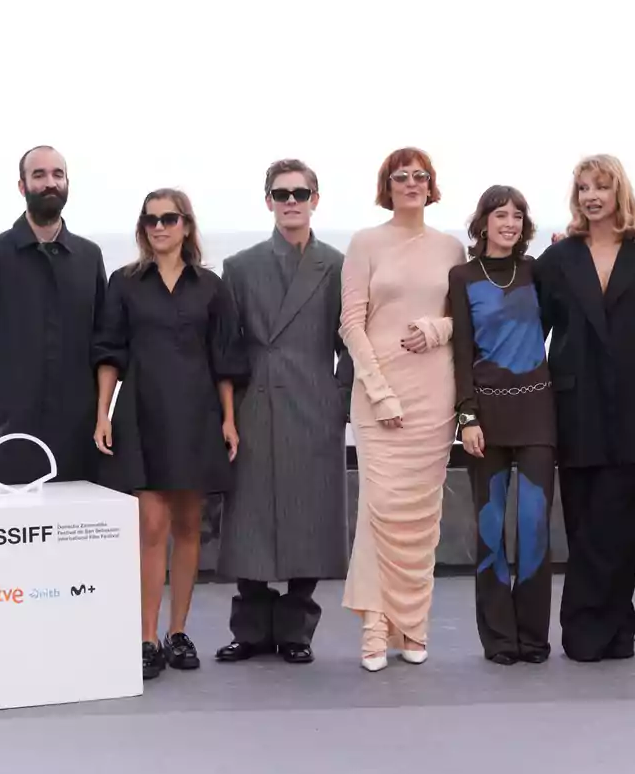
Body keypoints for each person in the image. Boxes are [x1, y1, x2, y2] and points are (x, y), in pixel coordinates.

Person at [92, 188, 242, 680]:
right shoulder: (124, 284)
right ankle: (146, 638)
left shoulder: (212, 287)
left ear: (186, 226)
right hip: (142, 413)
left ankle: (179, 634)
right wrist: (103, 413)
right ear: (143, 228)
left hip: (198, 415)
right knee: (151, 529)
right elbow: (110, 353)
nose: (159, 227)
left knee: (187, 528)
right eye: (151, 220)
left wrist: (229, 419)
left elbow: (224, 359)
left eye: (169, 219)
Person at [215, 159, 352, 665]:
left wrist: (339, 398)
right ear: (267, 200)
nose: (290, 201)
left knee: (309, 518)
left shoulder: (338, 265)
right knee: (247, 516)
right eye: (281, 193)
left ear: (316, 199)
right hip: (254, 405)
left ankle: (297, 629)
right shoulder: (240, 266)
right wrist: (227, 413)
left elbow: (352, 340)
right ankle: (249, 629)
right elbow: (226, 350)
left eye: (300, 192)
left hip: (314, 405)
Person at [339, 147, 466, 671]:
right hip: (378, 393)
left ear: (432, 185)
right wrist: (380, 390)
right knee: (379, 511)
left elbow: (466, 317)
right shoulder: (365, 243)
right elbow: (351, 321)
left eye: (420, 176)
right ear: (386, 185)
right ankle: (374, 628)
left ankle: (412, 626)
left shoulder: (452, 247)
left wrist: (438, 329)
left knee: (421, 516)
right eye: (401, 176)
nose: (411, 183)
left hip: (434, 389)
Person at [534, 154, 635, 663]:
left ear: (618, 194)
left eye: (601, 188)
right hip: (575, 404)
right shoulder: (559, 258)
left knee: (623, 521)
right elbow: (530, 330)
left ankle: (616, 629)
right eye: (583, 188)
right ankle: (584, 630)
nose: (591, 196)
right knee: (585, 520)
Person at [0, 145, 106, 486]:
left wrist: (98, 399)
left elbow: (104, 336)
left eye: (57, 174)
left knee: (77, 528)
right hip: (15, 423)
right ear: (22, 186)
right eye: (39, 175)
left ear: (67, 184)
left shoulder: (88, 256)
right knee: (13, 525)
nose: (50, 182)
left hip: (79, 426)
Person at [448, 185, 556, 665]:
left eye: (517, 215)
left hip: (537, 413)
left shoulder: (538, 272)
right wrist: (466, 415)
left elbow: (558, 320)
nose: (509, 223)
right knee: (492, 531)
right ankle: (498, 638)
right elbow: (461, 351)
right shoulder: (462, 276)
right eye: (500, 214)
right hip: (485, 419)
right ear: (483, 222)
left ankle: (533, 637)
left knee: (533, 528)